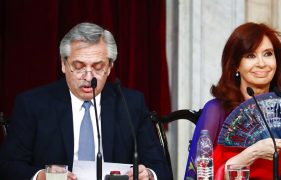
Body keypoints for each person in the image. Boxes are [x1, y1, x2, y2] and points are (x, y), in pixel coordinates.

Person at [0, 22, 170, 180]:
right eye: (79, 67)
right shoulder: (33, 104)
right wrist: (42, 176)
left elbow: (161, 169)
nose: (88, 77)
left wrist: (148, 174)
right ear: (63, 64)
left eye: (98, 67)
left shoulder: (130, 104)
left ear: (110, 67)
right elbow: (8, 166)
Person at [184, 22, 281, 179]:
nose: (262, 63)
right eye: (251, 56)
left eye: (268, 54)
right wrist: (252, 153)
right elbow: (194, 176)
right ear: (236, 65)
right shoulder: (217, 111)